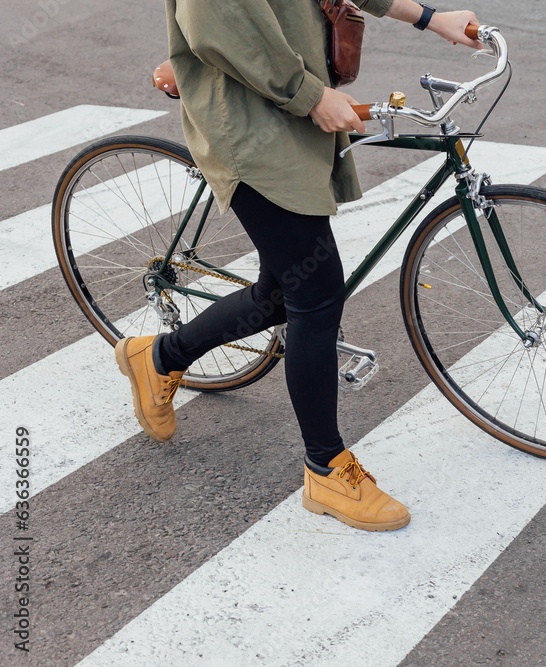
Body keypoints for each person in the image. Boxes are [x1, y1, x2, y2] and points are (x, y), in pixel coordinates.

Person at [114, 0, 481, 532]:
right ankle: (326, 468)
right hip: (249, 124)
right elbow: (219, 18)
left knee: (284, 291)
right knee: (317, 292)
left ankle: (161, 357)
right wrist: (311, 97)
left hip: (287, 107)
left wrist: (429, 17)